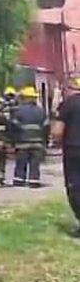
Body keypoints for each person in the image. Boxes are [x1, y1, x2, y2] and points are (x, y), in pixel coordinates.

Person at [52, 78, 80, 236]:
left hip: (74, 150)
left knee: (74, 186)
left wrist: (55, 142)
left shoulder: (68, 105)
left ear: (71, 88)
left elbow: (57, 131)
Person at [10, 86, 49, 188]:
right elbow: (46, 127)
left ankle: (19, 180)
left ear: (24, 98)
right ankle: (33, 181)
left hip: (22, 143)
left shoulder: (17, 112)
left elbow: (13, 127)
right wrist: (45, 142)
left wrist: (12, 141)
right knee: (35, 164)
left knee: (21, 163)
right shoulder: (41, 111)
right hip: (38, 143)